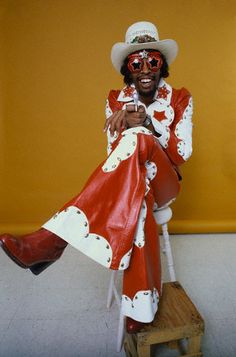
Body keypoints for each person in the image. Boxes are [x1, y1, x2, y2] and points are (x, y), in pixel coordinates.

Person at [0, 21, 193, 334]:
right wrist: (129, 126)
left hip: (166, 182)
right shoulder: (115, 100)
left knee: (141, 138)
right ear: (126, 68)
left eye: (153, 60)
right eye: (136, 62)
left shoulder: (181, 99)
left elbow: (183, 153)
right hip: (133, 185)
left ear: (163, 65)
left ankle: (53, 239)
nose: (145, 68)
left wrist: (147, 125)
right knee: (138, 199)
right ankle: (141, 307)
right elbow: (113, 158)